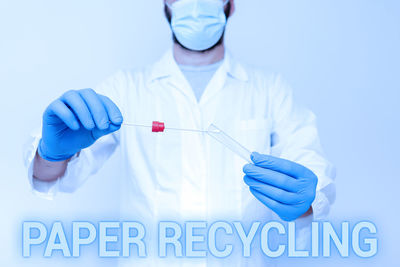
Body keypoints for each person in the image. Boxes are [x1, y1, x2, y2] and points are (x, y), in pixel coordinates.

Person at [24, 0, 335, 265]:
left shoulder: (269, 89)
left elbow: (311, 170)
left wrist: (306, 200)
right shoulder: (127, 88)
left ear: (230, 2)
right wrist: (52, 154)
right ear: (165, 3)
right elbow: (52, 177)